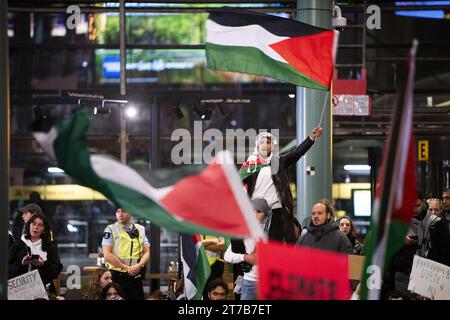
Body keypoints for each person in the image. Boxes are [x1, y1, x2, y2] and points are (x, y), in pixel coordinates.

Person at [239, 127, 323, 243]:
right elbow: (235, 186)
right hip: (256, 211)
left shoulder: (279, 162)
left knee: (275, 246)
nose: (265, 145)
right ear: (257, 146)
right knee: (254, 245)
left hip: (276, 211)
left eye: (268, 142)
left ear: (271, 146)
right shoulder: (249, 166)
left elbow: (297, 153)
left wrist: (311, 138)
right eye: (262, 142)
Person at [224, 198, 272, 300]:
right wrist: (244, 257)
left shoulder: (273, 234)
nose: (255, 214)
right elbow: (227, 256)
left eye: (259, 211)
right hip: (249, 282)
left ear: (266, 214)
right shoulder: (243, 233)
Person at [102, 207, 150, 300]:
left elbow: (147, 252)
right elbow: (107, 255)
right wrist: (126, 268)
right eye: (117, 211)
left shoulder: (140, 229)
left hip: (135, 275)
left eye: (123, 211)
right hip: (117, 277)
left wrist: (139, 265)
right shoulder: (110, 229)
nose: (120, 214)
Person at [9, 212, 63, 291]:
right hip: (20, 292)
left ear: (44, 230)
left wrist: (44, 264)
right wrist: (22, 264)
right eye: (33, 224)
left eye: (40, 225)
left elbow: (56, 271)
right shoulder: (17, 246)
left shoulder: (49, 247)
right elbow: (9, 272)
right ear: (29, 225)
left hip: (44, 290)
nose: (36, 227)